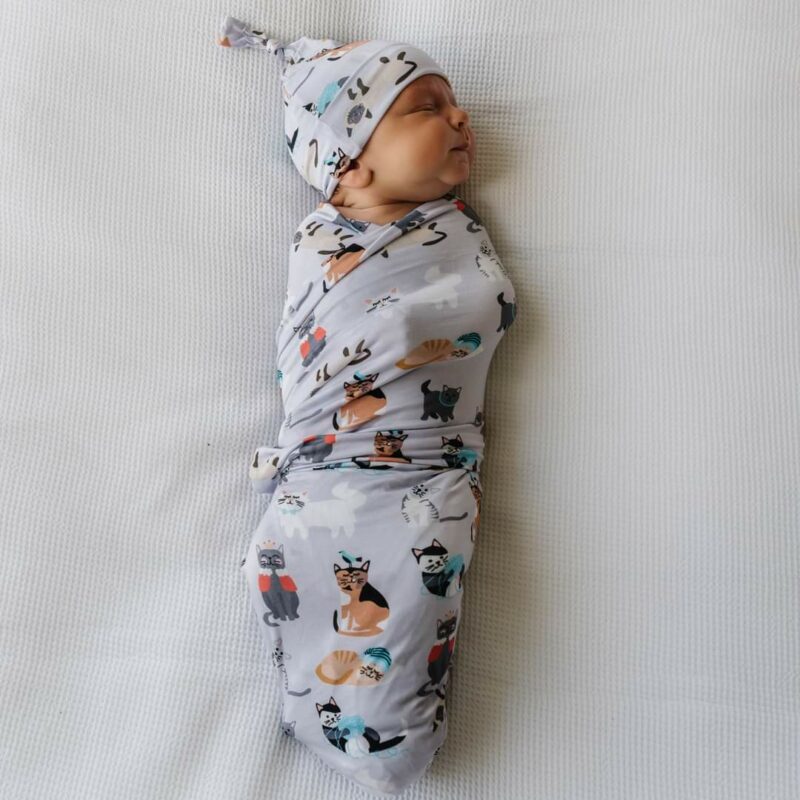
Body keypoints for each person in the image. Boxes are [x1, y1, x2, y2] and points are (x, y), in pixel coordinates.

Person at [219, 16, 517, 796]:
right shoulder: (321, 246)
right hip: (328, 469)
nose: (461, 117)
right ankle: (337, 714)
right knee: (306, 574)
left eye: (454, 103)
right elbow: (324, 344)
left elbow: (475, 308)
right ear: (348, 163)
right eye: (427, 107)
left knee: (411, 602)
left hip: (424, 475)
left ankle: (381, 729)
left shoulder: (452, 232)